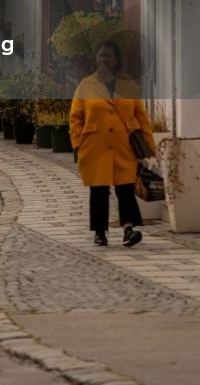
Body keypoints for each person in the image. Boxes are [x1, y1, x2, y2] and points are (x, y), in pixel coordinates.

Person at [70, 35, 155, 248]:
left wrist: (150, 146)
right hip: (94, 146)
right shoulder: (86, 86)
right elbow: (75, 117)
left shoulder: (127, 85)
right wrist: (78, 143)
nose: (103, 59)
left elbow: (141, 115)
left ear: (116, 59)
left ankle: (129, 229)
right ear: (95, 59)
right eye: (100, 55)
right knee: (99, 190)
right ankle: (100, 232)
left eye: (108, 55)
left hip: (123, 145)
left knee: (125, 188)